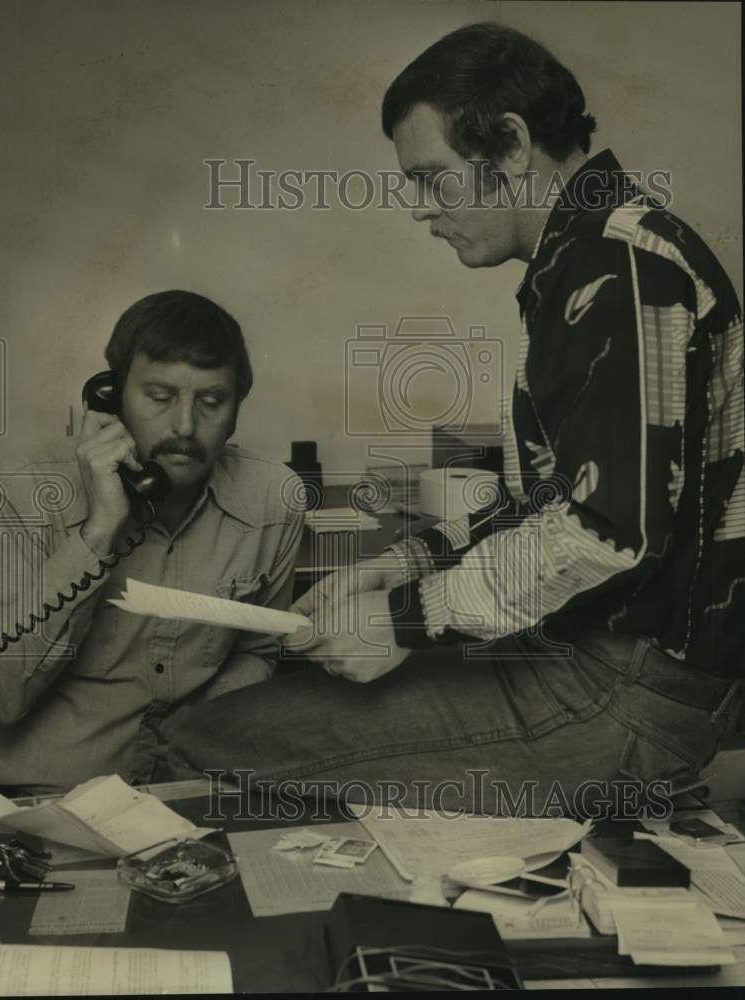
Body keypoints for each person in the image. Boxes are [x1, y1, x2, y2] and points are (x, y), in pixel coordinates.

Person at [164, 23, 743, 817]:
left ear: (508, 145)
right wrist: (401, 567)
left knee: (202, 740)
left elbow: (609, 536)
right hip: (599, 662)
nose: (419, 210)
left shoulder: (617, 268)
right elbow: (560, 507)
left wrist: (406, 620)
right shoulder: (597, 256)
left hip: (629, 692)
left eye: (432, 178)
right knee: (289, 706)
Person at [0, 290, 304, 795]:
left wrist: (197, 743)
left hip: (174, 788)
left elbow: (259, 648)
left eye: (211, 401)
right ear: (110, 397)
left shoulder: (273, 499)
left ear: (237, 407)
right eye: (159, 397)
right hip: (15, 794)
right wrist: (99, 531)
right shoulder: (21, 493)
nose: (184, 426)